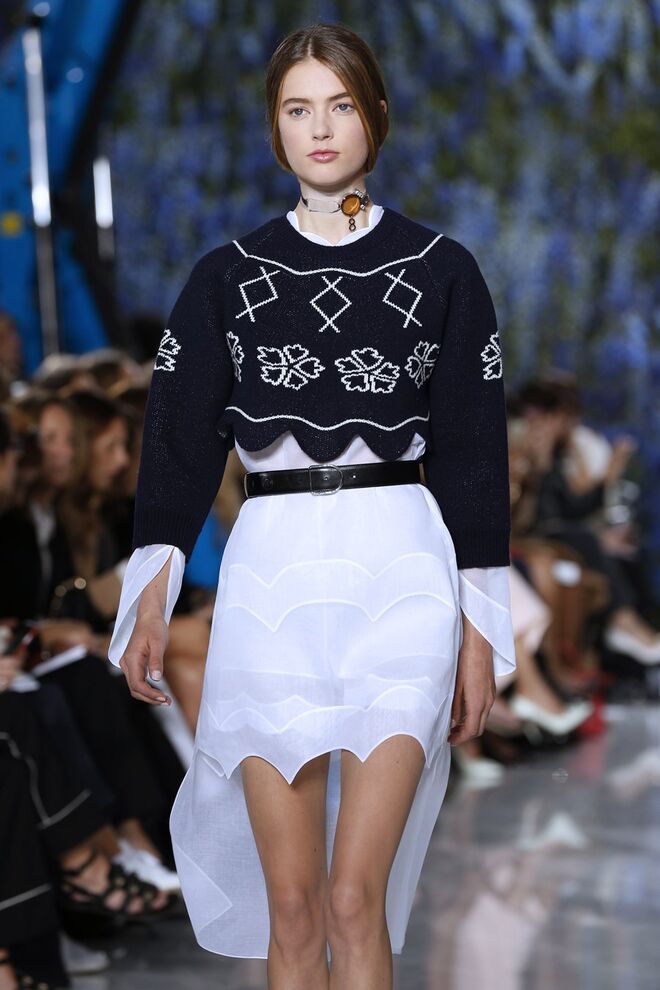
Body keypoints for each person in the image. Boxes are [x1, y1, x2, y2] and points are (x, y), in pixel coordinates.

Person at [108, 23, 515, 988]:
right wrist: (147, 599)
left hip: (400, 575)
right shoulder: (226, 278)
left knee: (352, 900)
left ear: (377, 117)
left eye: (340, 106)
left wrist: (481, 633)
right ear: (275, 128)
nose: (320, 129)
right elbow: (176, 450)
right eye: (298, 109)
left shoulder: (443, 271)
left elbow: (474, 459)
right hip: (272, 578)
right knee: (291, 910)